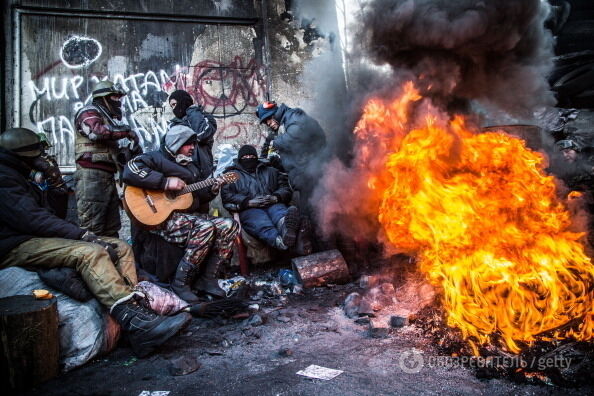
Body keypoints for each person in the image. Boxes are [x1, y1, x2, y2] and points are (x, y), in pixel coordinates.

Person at [0, 128, 190, 357]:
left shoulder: (22, 176)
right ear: (25, 155)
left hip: (35, 236)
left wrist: (57, 186)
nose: (43, 159)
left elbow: (54, 214)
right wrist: (80, 234)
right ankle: (136, 323)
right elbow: (32, 219)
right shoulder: (4, 177)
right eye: (39, 154)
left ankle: (138, 316)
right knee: (90, 252)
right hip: (15, 244)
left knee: (120, 247)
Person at [122, 125, 239, 302]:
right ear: (176, 143)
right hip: (157, 218)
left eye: (193, 143)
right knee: (205, 228)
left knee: (229, 225)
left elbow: (197, 197)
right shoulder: (155, 158)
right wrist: (164, 182)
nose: (193, 147)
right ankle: (181, 283)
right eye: (188, 143)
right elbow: (130, 170)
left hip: (182, 216)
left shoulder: (191, 167)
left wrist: (214, 188)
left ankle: (208, 279)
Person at [73, 80, 140, 237]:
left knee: (110, 229)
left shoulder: (107, 118)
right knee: (92, 228)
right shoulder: (89, 111)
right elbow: (96, 132)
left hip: (107, 177)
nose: (118, 101)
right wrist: (126, 132)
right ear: (104, 98)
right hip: (91, 177)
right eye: (115, 98)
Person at [221, 145, 300, 250]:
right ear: (240, 159)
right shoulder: (231, 175)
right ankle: (281, 243)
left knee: (280, 215)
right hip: (249, 209)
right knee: (261, 223)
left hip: (273, 204)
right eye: (245, 157)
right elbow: (227, 198)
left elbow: (285, 188)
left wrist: (275, 197)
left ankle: (287, 231)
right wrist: (247, 202)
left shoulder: (271, 171)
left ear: (256, 157)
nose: (249, 158)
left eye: (251, 156)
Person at [255, 101, 327, 213]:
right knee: (308, 211)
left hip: (315, 171)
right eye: (265, 122)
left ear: (274, 113)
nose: (268, 123)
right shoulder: (280, 125)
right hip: (305, 174)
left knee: (314, 210)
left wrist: (275, 143)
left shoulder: (294, 116)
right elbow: (269, 146)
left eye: (268, 119)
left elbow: (295, 137)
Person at [168, 89, 217, 185]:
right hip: (183, 173)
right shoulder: (173, 126)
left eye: (175, 104)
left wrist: (192, 110)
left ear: (183, 101)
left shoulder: (206, 118)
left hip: (203, 174)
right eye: (172, 106)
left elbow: (202, 134)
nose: (174, 109)